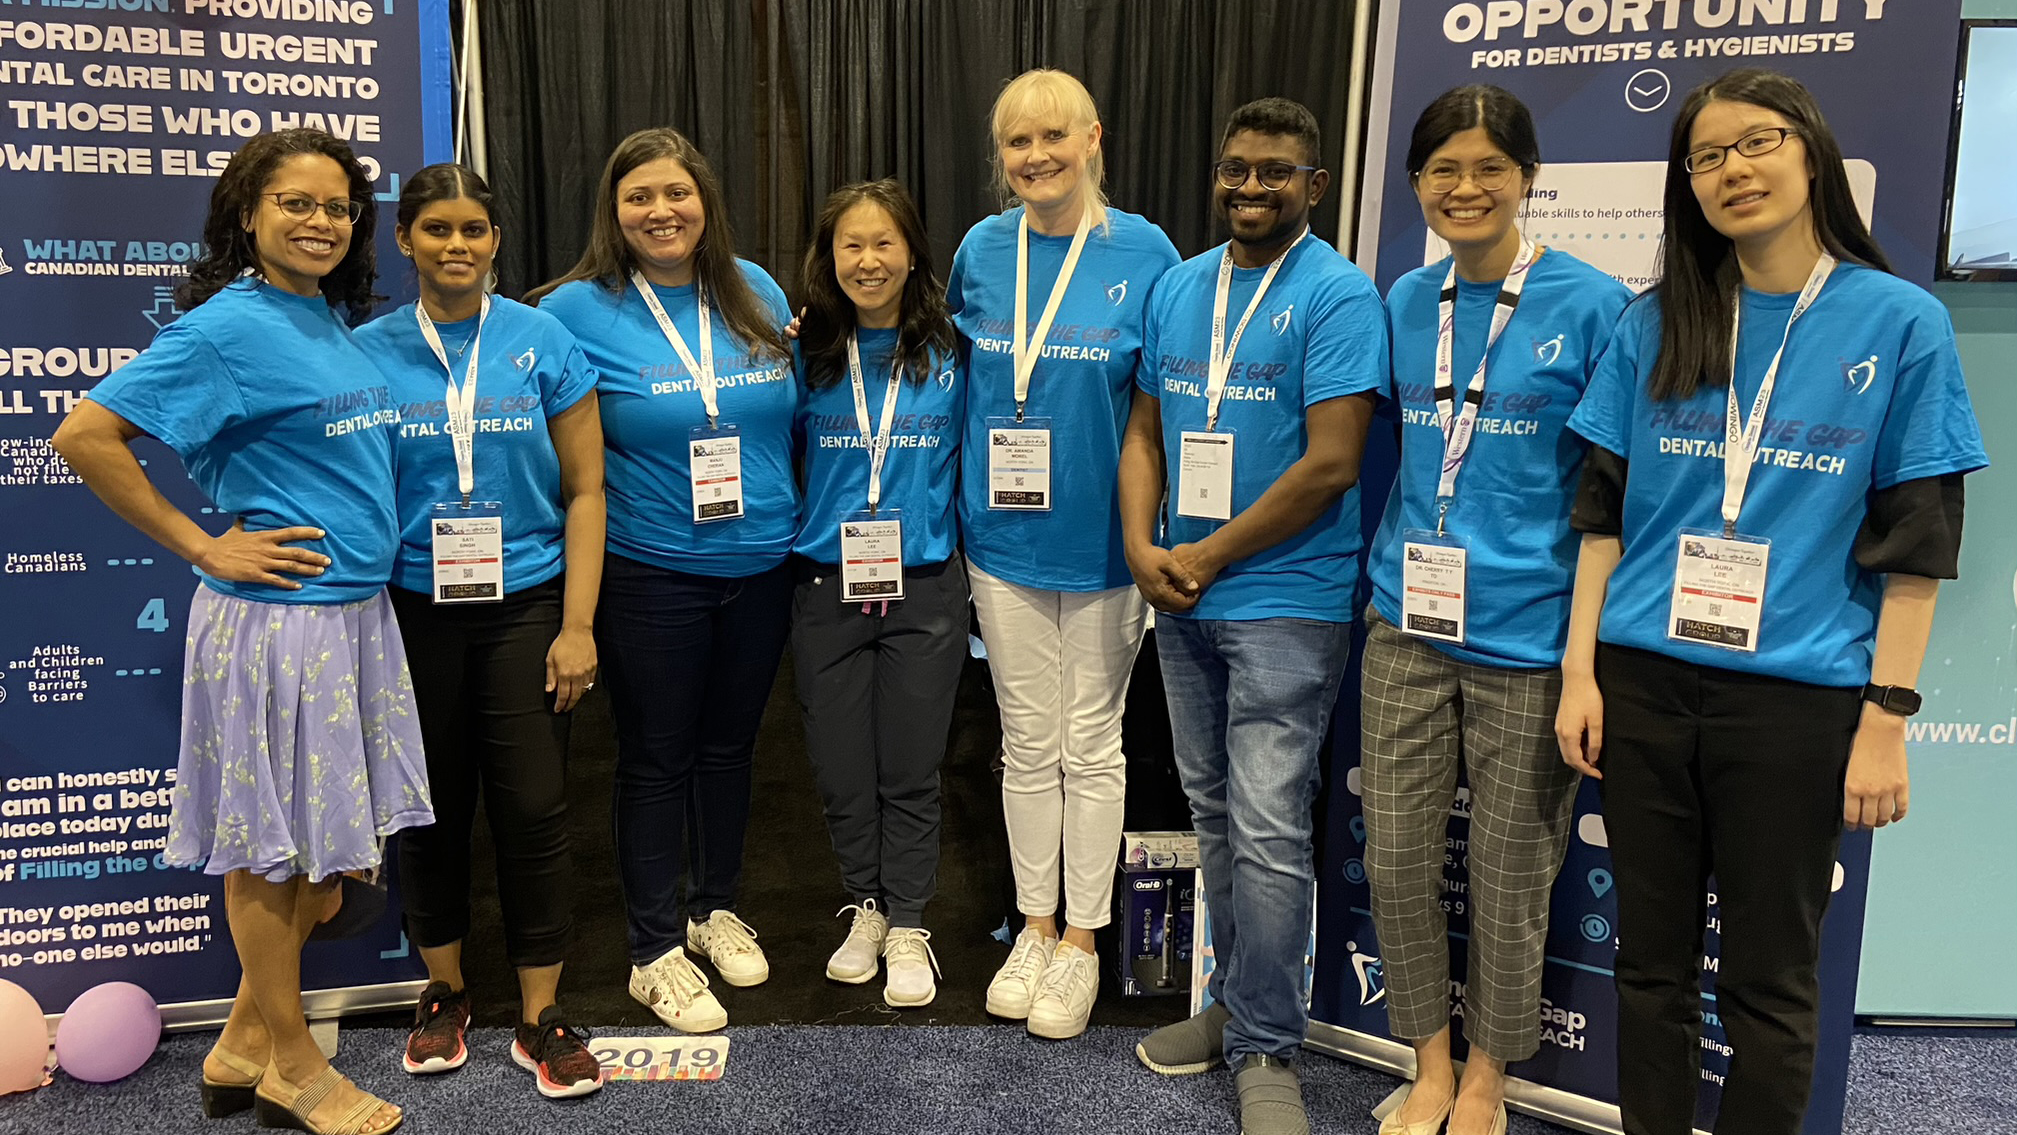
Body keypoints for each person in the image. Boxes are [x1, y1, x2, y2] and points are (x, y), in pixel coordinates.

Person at [1556, 68, 1986, 1135]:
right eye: (1705, 156)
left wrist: (1885, 718)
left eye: (1756, 142)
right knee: (1648, 966)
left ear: (1810, 152)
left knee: (1768, 980)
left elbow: (1917, 548)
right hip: (1644, 684)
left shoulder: (1900, 323)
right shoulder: (1658, 319)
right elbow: (1601, 517)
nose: (1731, 170)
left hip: (1794, 701)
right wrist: (1579, 673)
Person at [51, 129, 424, 1135]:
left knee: (326, 862)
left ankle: (241, 1041)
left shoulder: (325, 316)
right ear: (247, 215)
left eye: (338, 207)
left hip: (350, 617)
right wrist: (202, 544)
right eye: (296, 203)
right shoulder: (227, 328)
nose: (320, 222)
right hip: (278, 625)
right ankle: (293, 1065)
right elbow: (85, 434)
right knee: (272, 851)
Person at [1359, 87, 1631, 1135]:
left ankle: (1484, 1077)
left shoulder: (1594, 305)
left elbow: (1612, 495)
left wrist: (1583, 661)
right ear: (1416, 182)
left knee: (1512, 873)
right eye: (1443, 169)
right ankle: (1426, 1061)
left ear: (1526, 178)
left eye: (1488, 168)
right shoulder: (1403, 299)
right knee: (1395, 858)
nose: (1464, 188)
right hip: (1406, 622)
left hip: (1530, 637)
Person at [1121, 98, 1385, 1135]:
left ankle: (1269, 1044)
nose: (1250, 187)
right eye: (1235, 168)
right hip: (1182, 597)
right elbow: (1145, 430)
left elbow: (1332, 463)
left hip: (1286, 599)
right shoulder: (1179, 286)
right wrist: (1139, 546)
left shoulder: (1337, 293)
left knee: (1269, 827)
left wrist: (1204, 553)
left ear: (1313, 185)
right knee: (1215, 815)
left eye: (1274, 172)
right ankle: (1236, 1005)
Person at [531, 128, 796, 1033]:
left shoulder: (754, 289)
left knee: (730, 750)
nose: (660, 211)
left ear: (704, 199)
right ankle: (652, 950)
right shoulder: (572, 310)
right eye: (638, 196)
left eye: (675, 192)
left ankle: (712, 907)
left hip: (761, 563)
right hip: (651, 571)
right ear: (613, 212)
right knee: (655, 758)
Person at [353, 163, 607, 1099]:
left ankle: (541, 1016)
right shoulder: (367, 350)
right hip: (410, 608)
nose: (455, 244)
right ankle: (445, 993)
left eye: (473, 228)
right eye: (436, 229)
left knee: (534, 808)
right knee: (430, 809)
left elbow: (586, 489)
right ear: (405, 239)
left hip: (526, 603)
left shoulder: (541, 340)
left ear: (496, 239)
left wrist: (577, 623)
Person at [950, 68, 1181, 1040]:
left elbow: (1161, 405)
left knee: (1091, 743)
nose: (1035, 156)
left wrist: (1153, 532)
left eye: (1054, 136)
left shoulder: (1147, 252)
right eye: (1017, 141)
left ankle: (1083, 939)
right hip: (1000, 540)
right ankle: (1033, 926)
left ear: (1093, 138)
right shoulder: (980, 250)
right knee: (1023, 742)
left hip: (1105, 547)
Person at [789, 179, 966, 1009]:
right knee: (840, 768)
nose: (868, 260)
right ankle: (866, 904)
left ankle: (910, 922)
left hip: (923, 585)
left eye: (883, 243)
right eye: (850, 245)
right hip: (825, 583)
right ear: (829, 257)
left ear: (913, 253)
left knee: (910, 766)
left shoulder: (954, 351)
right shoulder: (804, 352)